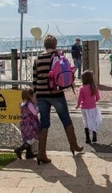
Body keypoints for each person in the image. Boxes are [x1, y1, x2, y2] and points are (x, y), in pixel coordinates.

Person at [33, 34, 83, 164]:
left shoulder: (37, 58)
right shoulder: (57, 56)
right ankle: (73, 145)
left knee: (44, 123)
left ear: (44, 44)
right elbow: (65, 72)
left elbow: (34, 79)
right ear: (54, 44)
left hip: (41, 94)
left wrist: (35, 95)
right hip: (56, 93)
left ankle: (41, 153)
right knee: (66, 119)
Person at [76, 70, 102, 144]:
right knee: (93, 120)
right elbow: (98, 97)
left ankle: (87, 138)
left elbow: (79, 99)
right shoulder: (94, 87)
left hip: (84, 107)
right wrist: (94, 101)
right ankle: (94, 136)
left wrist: (77, 105)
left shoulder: (82, 88)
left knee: (86, 121)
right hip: (93, 107)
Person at [14, 87, 39, 160]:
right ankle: (19, 149)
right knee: (33, 137)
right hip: (30, 123)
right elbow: (34, 112)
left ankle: (29, 153)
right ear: (30, 96)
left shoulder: (22, 104)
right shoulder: (29, 104)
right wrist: (38, 108)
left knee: (28, 137)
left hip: (24, 123)